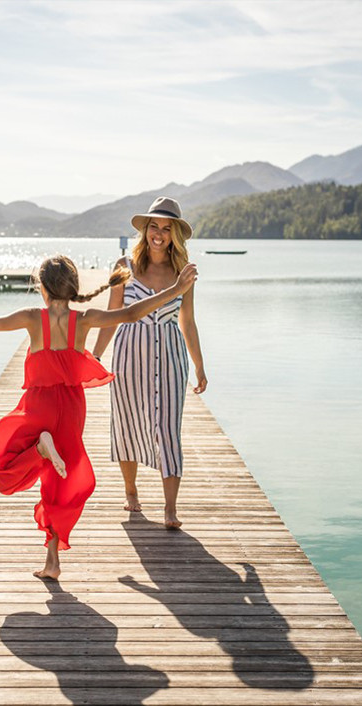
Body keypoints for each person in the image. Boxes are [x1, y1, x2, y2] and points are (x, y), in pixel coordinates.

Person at [0, 255, 198, 579]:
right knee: (61, 484)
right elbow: (130, 313)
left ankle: (51, 551)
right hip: (72, 406)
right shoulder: (84, 319)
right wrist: (175, 289)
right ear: (73, 288)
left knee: (3, 467)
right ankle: (52, 560)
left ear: (43, 290)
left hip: (39, 403)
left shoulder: (34, 318)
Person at [92, 196, 207, 529]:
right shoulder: (124, 265)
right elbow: (113, 316)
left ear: (175, 235)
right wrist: (96, 356)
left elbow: (187, 322)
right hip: (129, 355)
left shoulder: (183, 274)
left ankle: (170, 509)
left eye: (166, 229)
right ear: (145, 230)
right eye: (154, 226)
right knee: (127, 423)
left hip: (171, 358)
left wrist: (199, 365)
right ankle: (131, 490)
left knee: (169, 430)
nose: (159, 233)